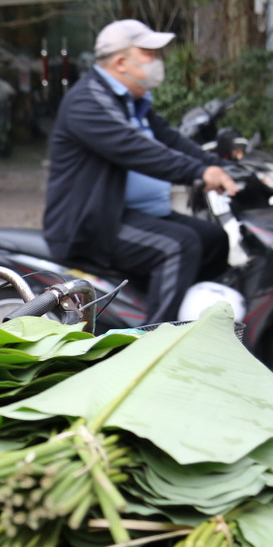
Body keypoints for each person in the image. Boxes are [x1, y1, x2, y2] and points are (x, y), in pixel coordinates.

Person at [42, 19, 237, 324]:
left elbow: (171, 140)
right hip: (93, 222)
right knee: (179, 245)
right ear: (121, 62)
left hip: (133, 213)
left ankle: (195, 319)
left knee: (214, 238)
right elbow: (138, 150)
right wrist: (200, 173)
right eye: (150, 54)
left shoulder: (133, 100)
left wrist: (221, 167)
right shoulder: (88, 101)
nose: (159, 61)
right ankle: (154, 340)